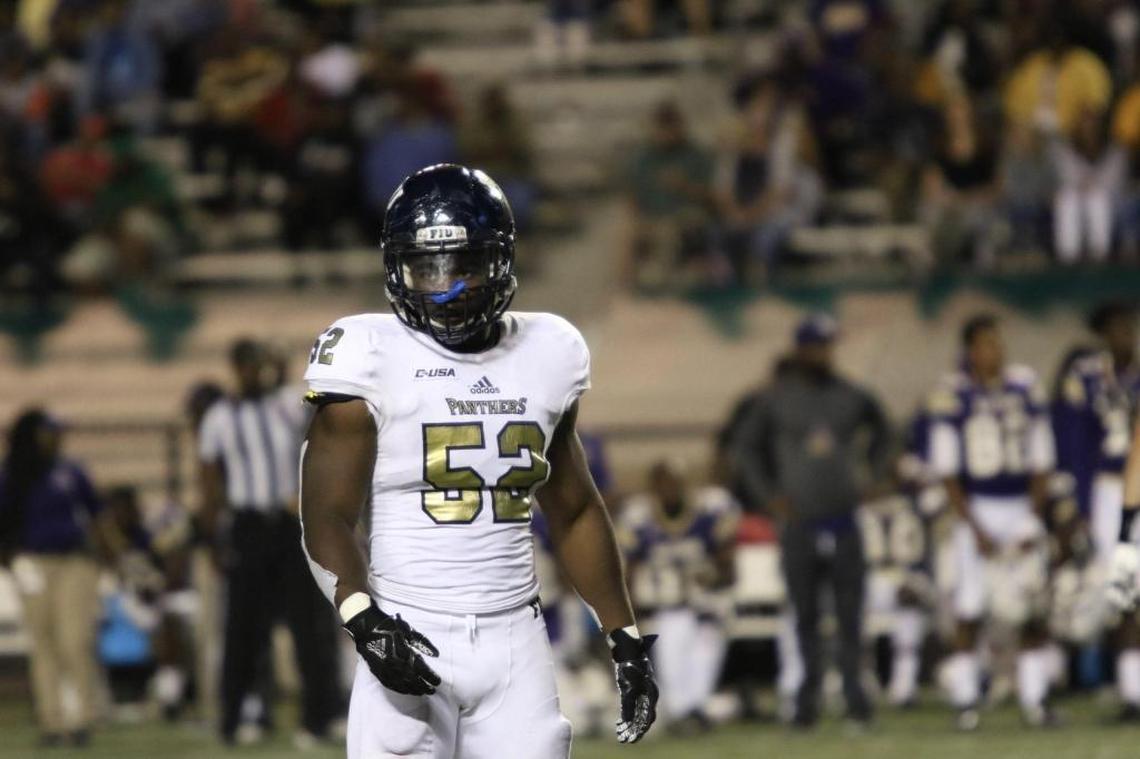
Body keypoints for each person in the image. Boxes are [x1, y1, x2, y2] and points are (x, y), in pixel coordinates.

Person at [299, 164, 658, 758]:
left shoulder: (549, 350)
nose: (447, 288)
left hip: (516, 637)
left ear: (500, 262)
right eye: (425, 269)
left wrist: (624, 639)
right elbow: (325, 517)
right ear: (395, 270)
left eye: (464, 266)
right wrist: (364, 622)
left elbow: (573, 511)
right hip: (406, 625)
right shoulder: (367, 355)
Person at [732, 313, 891, 728]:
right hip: (800, 522)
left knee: (850, 615)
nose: (825, 353)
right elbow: (745, 447)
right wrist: (768, 497)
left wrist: (873, 475)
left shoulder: (850, 394)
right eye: (818, 346)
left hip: (843, 518)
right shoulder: (776, 398)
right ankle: (807, 702)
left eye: (829, 345)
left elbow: (886, 432)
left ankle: (857, 700)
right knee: (803, 618)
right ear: (800, 349)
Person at [197, 339, 343, 745]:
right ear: (236, 368)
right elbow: (208, 481)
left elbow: (317, 413)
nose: (254, 373)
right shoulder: (220, 416)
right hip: (248, 526)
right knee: (243, 628)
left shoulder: (286, 403)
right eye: (248, 366)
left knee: (309, 626)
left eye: (259, 365)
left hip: (287, 523)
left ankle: (320, 715)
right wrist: (213, 540)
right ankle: (239, 716)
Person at [927, 314, 1058, 729]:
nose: (995, 351)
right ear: (970, 351)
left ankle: (1034, 701)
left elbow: (1042, 461)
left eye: (997, 343)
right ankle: (966, 703)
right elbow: (947, 471)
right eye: (985, 344)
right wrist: (973, 525)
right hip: (977, 505)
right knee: (970, 607)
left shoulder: (1024, 388)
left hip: (1019, 504)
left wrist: (1031, 519)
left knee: (1032, 606)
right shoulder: (953, 396)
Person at [0, 409, 115, 747]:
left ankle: (81, 718)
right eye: (49, 431)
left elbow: (96, 513)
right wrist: (12, 562)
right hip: (32, 563)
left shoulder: (70, 470)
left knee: (74, 640)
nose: (57, 437)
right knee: (43, 643)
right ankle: (52, 722)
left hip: (74, 562)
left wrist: (110, 552)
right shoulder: (14, 474)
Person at [618, 460, 739, 734]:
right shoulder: (640, 521)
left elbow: (729, 571)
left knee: (707, 636)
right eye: (663, 486)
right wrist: (630, 614)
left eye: (674, 484)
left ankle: (692, 707)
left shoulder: (707, 515)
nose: (669, 491)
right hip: (663, 609)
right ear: (652, 490)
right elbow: (629, 575)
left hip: (705, 604)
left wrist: (712, 577)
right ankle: (686, 709)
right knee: (676, 626)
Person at [1062, 303, 1140, 715]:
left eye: (1128, 326)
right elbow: (1078, 446)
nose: (1125, 335)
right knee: (1125, 589)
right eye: (1116, 329)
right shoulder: (1089, 378)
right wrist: (1082, 504)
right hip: (1114, 487)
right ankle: (1132, 691)